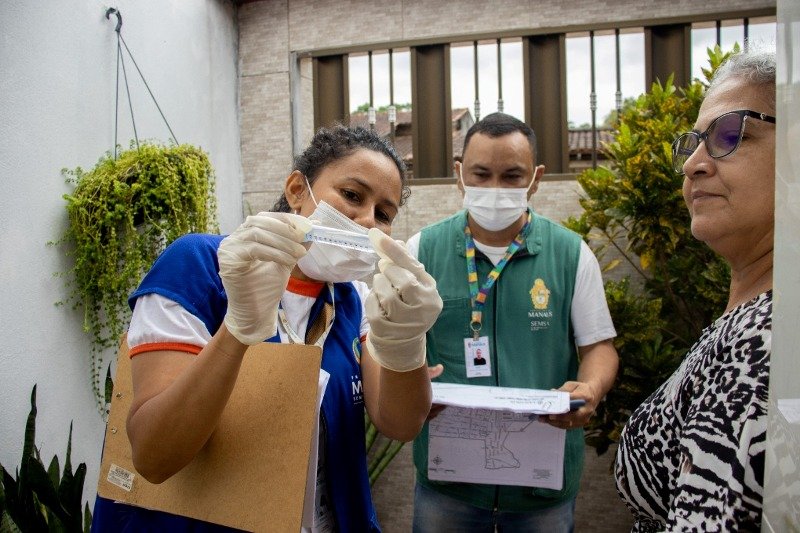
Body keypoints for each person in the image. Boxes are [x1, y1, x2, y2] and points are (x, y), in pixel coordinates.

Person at [91, 125, 443, 532]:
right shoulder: (201, 266)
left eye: (384, 214)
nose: (367, 221)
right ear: (297, 189)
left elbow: (400, 423)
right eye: (352, 195)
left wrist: (405, 344)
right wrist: (237, 331)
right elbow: (153, 456)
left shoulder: (355, 299)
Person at [407, 112, 620, 532]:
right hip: (448, 484)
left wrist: (590, 390)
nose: (495, 189)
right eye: (481, 174)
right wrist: (409, 388)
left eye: (512, 176)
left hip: (540, 492)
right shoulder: (422, 251)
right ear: (459, 175)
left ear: (535, 179)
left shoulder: (570, 254)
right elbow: (395, 347)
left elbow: (598, 347)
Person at [614, 47, 776, 531]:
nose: (693, 165)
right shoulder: (752, 313)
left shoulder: (762, 343)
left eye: (730, 135)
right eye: (695, 142)